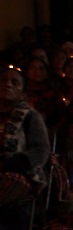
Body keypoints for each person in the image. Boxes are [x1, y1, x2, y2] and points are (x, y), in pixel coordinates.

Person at [0, 67, 50, 208]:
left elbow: (41, 149)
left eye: (14, 82)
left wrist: (15, 163)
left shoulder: (30, 115)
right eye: (3, 80)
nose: (7, 84)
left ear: (23, 94)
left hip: (18, 173)